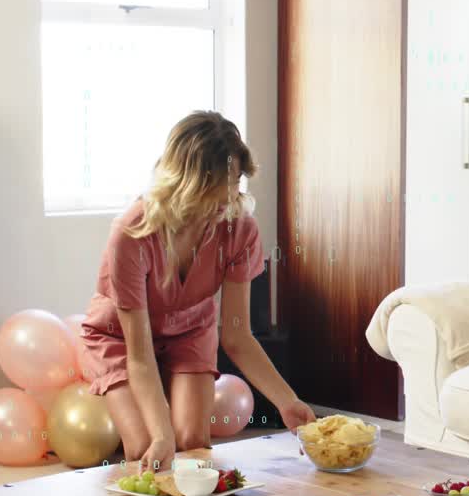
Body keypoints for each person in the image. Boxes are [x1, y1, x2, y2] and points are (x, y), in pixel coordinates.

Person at [78, 111, 316, 474]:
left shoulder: (239, 230)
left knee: (191, 444)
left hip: (189, 330)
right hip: (122, 340)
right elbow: (139, 357)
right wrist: (161, 434)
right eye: (216, 184)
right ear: (184, 181)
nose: (228, 196)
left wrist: (287, 401)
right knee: (147, 446)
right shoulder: (132, 234)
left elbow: (237, 337)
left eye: (235, 181)